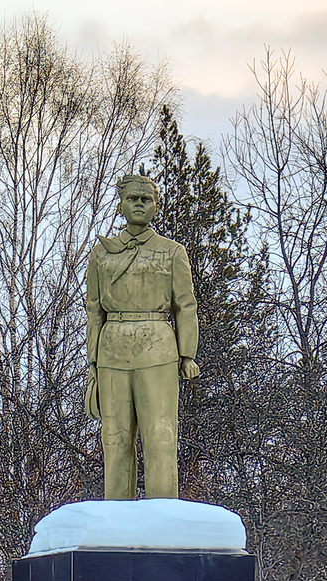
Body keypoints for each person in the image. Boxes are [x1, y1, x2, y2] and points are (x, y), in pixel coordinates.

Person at [86, 172, 200, 499]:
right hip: (112, 349)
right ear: (120, 205)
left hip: (158, 347)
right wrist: (93, 362)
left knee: (161, 436)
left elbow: (185, 305)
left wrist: (187, 354)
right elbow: (94, 310)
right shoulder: (101, 253)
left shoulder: (172, 251)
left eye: (146, 199)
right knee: (115, 438)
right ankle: (116, 513)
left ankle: (162, 512)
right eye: (132, 199)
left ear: (156, 206)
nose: (139, 204)